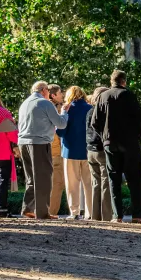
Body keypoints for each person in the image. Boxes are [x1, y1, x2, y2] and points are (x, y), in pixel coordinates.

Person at [92, 70, 141, 223]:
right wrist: (138, 136)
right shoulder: (129, 95)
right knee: (134, 179)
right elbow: (139, 116)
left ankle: (118, 216)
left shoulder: (102, 96)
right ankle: (137, 215)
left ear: (112, 81)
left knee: (113, 179)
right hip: (129, 143)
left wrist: (104, 137)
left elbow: (94, 122)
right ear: (124, 81)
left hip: (110, 143)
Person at [18, 81, 69, 219]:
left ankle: (27, 209)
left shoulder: (25, 103)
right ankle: (42, 212)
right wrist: (64, 112)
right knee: (44, 177)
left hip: (23, 142)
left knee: (31, 178)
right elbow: (61, 124)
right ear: (44, 90)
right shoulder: (45, 103)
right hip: (39, 143)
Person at [56, 86, 93, 220]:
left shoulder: (67, 109)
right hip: (87, 150)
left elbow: (60, 131)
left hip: (70, 151)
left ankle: (74, 212)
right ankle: (90, 212)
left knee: (72, 184)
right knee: (89, 184)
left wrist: (62, 114)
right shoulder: (90, 108)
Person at [86, 86, 111, 221]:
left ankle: (95, 215)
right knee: (106, 182)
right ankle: (107, 216)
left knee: (96, 183)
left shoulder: (89, 111)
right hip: (101, 150)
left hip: (90, 150)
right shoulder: (103, 111)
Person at [45, 85, 67, 216]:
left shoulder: (40, 107)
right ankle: (50, 213)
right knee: (57, 184)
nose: (62, 96)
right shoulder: (53, 109)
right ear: (53, 95)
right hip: (55, 152)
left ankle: (42, 211)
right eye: (60, 93)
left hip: (45, 150)